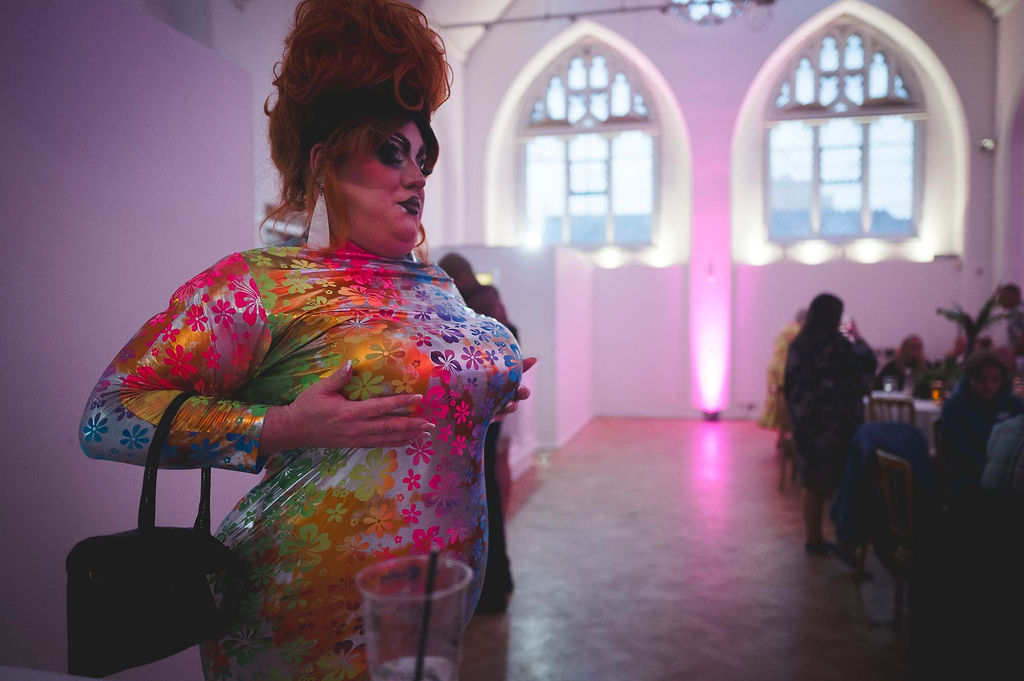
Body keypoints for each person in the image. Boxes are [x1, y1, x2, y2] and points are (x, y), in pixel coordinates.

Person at [77, 2, 535, 679]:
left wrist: (470, 397)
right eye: (390, 152)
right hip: (298, 618)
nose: (416, 175)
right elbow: (106, 415)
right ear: (324, 161)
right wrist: (281, 425)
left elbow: (412, 391)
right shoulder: (261, 284)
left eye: (422, 154)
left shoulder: (436, 286)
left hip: (420, 621)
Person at [438, 252, 517, 614]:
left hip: (469, 418)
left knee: (474, 501)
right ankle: (500, 581)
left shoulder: (458, 306)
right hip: (499, 404)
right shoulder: (492, 301)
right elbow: (511, 338)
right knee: (492, 494)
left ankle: (481, 589)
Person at [784, 293, 877, 556]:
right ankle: (844, 541)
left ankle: (813, 539)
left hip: (806, 425)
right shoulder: (840, 346)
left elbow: (790, 386)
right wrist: (857, 335)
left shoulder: (798, 345)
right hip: (836, 427)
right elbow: (865, 370)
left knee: (812, 484)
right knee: (839, 484)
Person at [939, 350, 1024, 490]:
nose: (988, 385)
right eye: (981, 379)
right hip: (969, 478)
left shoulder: (1013, 405)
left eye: (995, 380)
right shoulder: (955, 408)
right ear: (971, 379)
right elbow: (959, 453)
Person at [757, 308, 805, 450]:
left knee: (780, 405)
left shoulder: (787, 328)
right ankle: (789, 441)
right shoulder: (797, 331)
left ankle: (782, 439)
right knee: (787, 406)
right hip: (785, 370)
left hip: (775, 369)